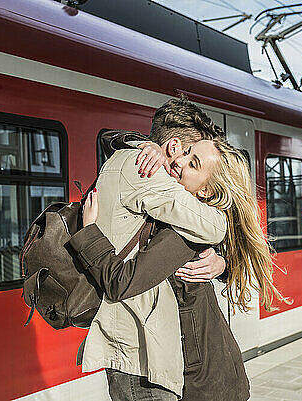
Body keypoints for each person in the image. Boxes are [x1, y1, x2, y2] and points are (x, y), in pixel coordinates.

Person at [72, 134, 290, 400]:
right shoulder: (182, 214)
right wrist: (142, 143)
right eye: (186, 152)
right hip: (211, 369)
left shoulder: (187, 230)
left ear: (207, 190)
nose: (178, 161)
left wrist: (88, 233)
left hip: (202, 379)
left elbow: (122, 283)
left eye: (193, 164)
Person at [73, 98, 229, 401]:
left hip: (148, 350)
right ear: (172, 147)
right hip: (141, 354)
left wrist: (221, 262)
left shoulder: (132, 160)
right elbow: (214, 225)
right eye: (190, 156)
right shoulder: (141, 167)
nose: (182, 166)